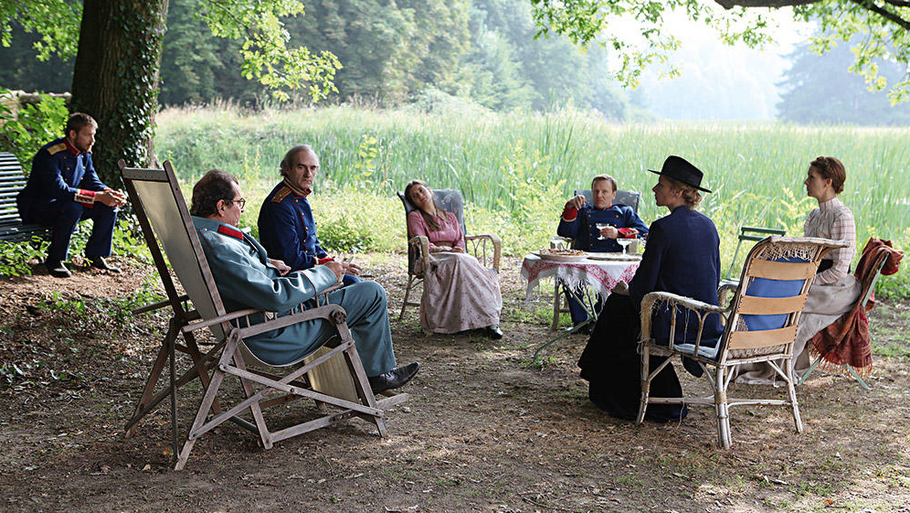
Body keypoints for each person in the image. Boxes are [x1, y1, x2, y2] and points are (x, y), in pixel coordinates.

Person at [191, 169, 418, 394]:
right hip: (273, 335)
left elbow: (241, 276)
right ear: (222, 206)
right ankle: (375, 376)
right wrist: (326, 273)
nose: (241, 209)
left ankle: (359, 374)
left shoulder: (200, 234)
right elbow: (275, 296)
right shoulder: (220, 246)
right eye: (239, 203)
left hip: (255, 322)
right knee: (372, 293)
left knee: (351, 285)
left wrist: (267, 265)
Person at [577, 156, 723, 422]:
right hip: (706, 319)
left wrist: (625, 291)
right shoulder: (708, 226)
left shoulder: (663, 228)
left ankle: (618, 393)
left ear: (677, 192)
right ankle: (614, 387)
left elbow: (643, 286)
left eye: (661, 184)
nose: (655, 189)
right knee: (621, 308)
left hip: (675, 319)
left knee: (617, 308)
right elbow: (712, 278)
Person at [735, 156, 861, 385]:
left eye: (811, 177)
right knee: (771, 298)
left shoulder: (842, 216)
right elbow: (806, 257)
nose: (806, 182)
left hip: (837, 287)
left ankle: (777, 366)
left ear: (828, 181)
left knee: (790, 305)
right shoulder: (814, 216)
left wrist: (806, 283)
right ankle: (751, 358)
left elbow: (840, 269)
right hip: (813, 279)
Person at [16, 112, 128, 278]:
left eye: (93, 135)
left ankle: (95, 256)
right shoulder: (49, 154)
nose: (92, 140)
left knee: (108, 207)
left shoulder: (83, 153)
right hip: (37, 208)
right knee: (73, 208)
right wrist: (97, 196)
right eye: (88, 135)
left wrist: (109, 193)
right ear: (73, 134)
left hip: (65, 205)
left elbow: (92, 181)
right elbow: (58, 190)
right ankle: (55, 260)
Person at [405, 180, 503, 339]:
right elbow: (421, 241)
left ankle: (490, 320)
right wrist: (447, 250)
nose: (420, 196)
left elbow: (460, 239)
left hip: (457, 255)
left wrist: (457, 248)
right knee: (459, 261)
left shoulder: (449, 216)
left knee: (474, 267)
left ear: (429, 191)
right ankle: (466, 321)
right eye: (415, 196)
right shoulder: (415, 217)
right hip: (433, 256)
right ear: (413, 202)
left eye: (421, 191)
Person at [258, 144, 361, 287]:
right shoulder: (279, 205)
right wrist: (327, 266)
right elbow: (290, 260)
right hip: (293, 282)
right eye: (301, 167)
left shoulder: (298, 195)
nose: (308, 174)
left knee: (358, 283)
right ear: (287, 169)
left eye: (313, 168)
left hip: (307, 271)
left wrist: (335, 264)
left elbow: (311, 243)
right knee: (357, 286)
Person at [556, 174, 649, 328]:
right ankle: (581, 322)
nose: (599, 196)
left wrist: (618, 233)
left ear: (613, 194)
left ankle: (599, 318)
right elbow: (565, 232)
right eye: (596, 191)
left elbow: (643, 231)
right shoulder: (583, 210)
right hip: (587, 260)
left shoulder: (625, 211)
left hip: (615, 262)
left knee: (620, 283)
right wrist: (570, 207)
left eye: (604, 192)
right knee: (568, 277)